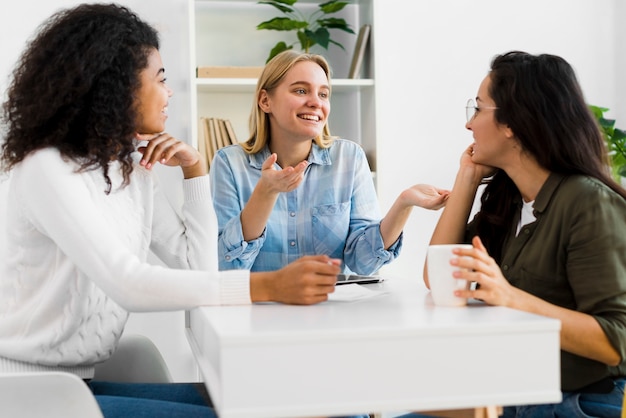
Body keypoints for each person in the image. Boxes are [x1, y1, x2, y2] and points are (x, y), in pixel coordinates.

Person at [0, 4, 365, 417]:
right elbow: (128, 283)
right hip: (25, 393)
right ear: (114, 85)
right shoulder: (46, 168)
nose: (169, 92)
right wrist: (268, 286)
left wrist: (195, 170)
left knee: (274, 400)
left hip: (79, 380)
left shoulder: (130, 172)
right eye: (160, 79)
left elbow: (198, 267)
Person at [411, 51, 626, 418]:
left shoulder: (588, 202)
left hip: (578, 403)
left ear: (511, 123)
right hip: (516, 394)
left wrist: (511, 297)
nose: (469, 125)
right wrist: (467, 178)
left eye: (478, 110)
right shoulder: (510, 200)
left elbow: (616, 341)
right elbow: (440, 277)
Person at [210, 50, 449, 274]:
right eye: (301, 91)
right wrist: (265, 193)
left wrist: (404, 203)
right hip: (257, 312)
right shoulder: (229, 164)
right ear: (265, 101)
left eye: (323, 94)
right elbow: (227, 266)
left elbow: (363, 262)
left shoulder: (350, 158)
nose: (316, 102)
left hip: (330, 313)